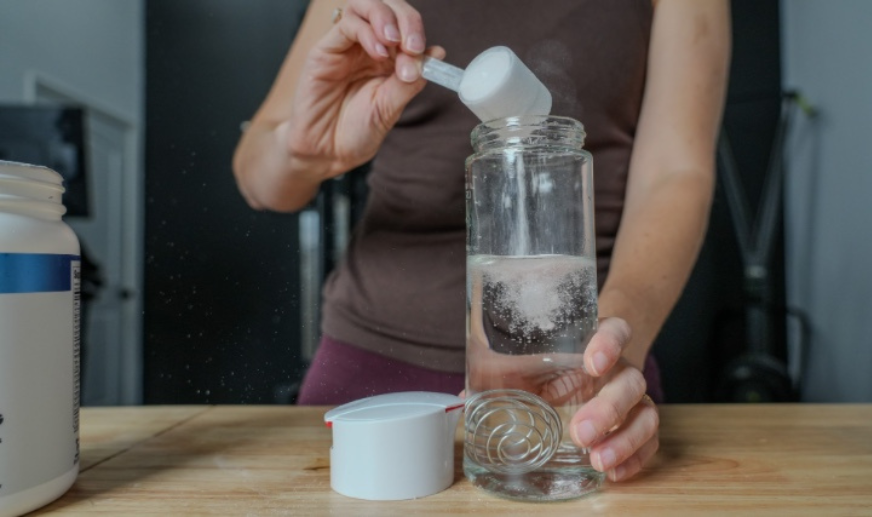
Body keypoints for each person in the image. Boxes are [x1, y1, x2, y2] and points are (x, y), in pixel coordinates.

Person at [233, 0, 729, 483]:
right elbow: (258, 176)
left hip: (576, 367)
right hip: (370, 366)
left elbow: (675, 172)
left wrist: (612, 342)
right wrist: (303, 152)